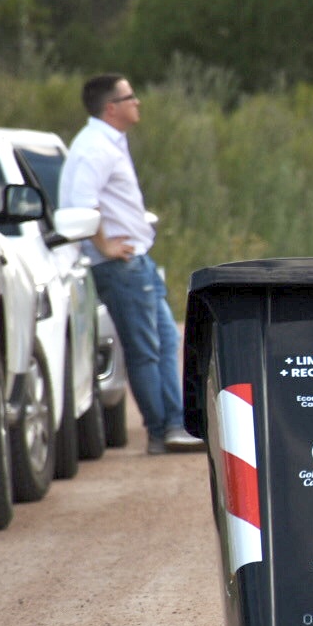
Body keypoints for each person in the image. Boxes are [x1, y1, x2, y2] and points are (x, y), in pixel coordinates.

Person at [60, 74, 204, 456]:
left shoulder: (108, 143)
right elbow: (81, 202)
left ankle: (175, 423)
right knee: (146, 349)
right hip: (122, 266)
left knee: (165, 340)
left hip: (138, 260)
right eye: (130, 96)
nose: (137, 102)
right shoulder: (95, 148)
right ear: (111, 107)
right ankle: (164, 429)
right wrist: (105, 245)